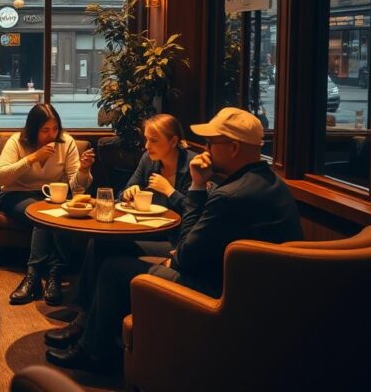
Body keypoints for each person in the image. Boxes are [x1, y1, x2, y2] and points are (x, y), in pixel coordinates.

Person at [46, 107, 302, 373]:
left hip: (221, 296)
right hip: (245, 287)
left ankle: (94, 353)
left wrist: (197, 186)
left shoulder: (231, 195)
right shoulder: (272, 183)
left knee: (114, 269)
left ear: (234, 148)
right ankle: (87, 325)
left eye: (212, 143)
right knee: (105, 244)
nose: (206, 149)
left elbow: (184, 257)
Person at [45, 114, 196, 349]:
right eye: (146, 140)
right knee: (100, 243)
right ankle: (84, 318)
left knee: (110, 258)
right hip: (147, 231)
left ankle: (89, 331)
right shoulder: (149, 159)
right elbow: (123, 191)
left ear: (173, 141)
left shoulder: (192, 167)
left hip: (175, 242)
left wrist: (170, 192)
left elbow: (194, 213)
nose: (147, 146)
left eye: (153, 140)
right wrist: (129, 192)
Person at [0, 103, 95, 306]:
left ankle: (50, 276)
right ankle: (39, 276)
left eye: (55, 129)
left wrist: (84, 171)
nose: (51, 135)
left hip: (52, 198)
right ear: (33, 130)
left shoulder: (66, 143)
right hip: (16, 194)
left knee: (49, 215)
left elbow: (77, 187)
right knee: (43, 214)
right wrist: (32, 158)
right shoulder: (17, 141)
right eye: (45, 130)